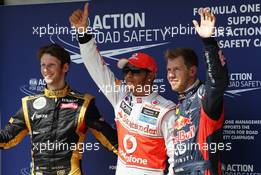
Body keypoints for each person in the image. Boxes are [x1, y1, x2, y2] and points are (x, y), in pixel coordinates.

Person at [69, 3, 176, 175]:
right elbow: (96, 67)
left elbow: (176, 160)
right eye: (126, 71)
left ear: (150, 76)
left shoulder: (166, 110)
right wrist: (83, 33)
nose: (128, 76)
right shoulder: (121, 96)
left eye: (135, 71)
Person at [0, 43, 118, 175]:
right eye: (43, 65)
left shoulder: (83, 104)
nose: (45, 70)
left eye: (51, 65)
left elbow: (111, 141)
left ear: (65, 67)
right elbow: (7, 138)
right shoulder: (29, 105)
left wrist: (138, 153)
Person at [165, 9, 229, 175]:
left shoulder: (204, 97)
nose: (170, 75)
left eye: (177, 69)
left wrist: (208, 42)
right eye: (169, 70)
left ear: (192, 71)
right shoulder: (179, 105)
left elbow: (217, 81)